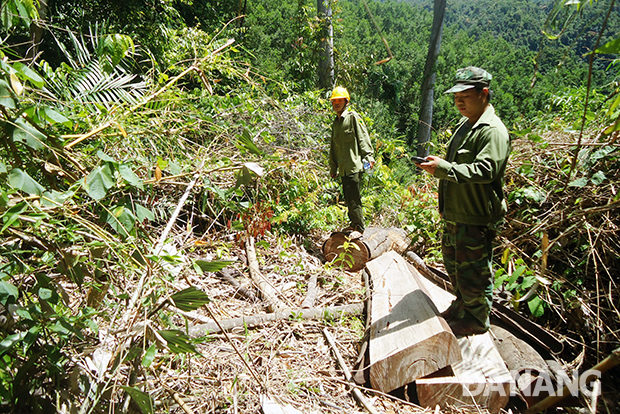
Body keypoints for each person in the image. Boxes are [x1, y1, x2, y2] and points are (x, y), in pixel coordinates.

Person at [416, 67, 511, 337]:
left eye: (465, 96)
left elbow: (486, 170)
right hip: (457, 212)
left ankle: (477, 320)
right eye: (456, 96)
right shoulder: (465, 124)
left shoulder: (492, 130)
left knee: (475, 273)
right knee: (455, 267)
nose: (459, 102)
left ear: (484, 94)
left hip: (476, 214)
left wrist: (444, 168)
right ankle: (461, 307)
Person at [329, 86, 375, 233]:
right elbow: (333, 148)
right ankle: (353, 224)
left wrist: (369, 157)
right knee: (348, 198)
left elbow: (363, 138)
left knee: (354, 198)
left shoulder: (353, 117)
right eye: (334, 101)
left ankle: (359, 228)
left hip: (354, 166)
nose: (336, 103)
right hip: (343, 167)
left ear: (346, 101)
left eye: (339, 100)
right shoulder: (336, 123)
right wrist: (333, 167)